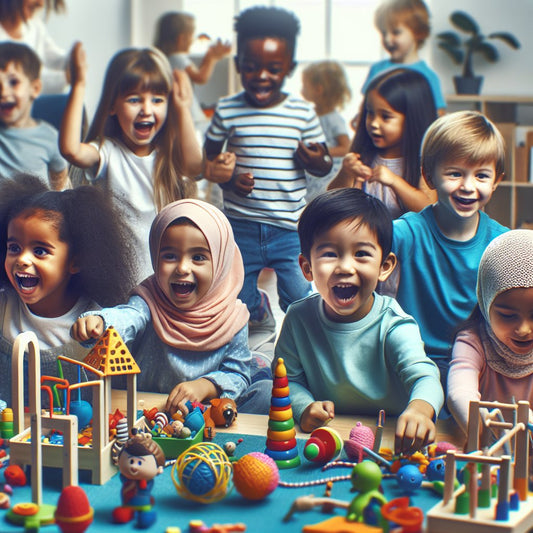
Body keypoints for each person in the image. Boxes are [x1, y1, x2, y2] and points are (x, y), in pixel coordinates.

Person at [274, 188, 443, 452]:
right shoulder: (298, 318)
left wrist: (420, 410)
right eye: (329, 253)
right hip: (329, 439)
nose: (345, 267)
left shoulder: (393, 324)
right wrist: (304, 407)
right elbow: (288, 381)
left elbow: (426, 377)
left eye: (361, 254)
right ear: (307, 268)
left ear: (384, 266)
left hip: (389, 442)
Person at [203, 6, 332, 351]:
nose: (261, 76)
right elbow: (210, 155)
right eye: (250, 67)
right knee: (238, 298)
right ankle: (255, 320)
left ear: (288, 68)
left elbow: (325, 162)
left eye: (273, 69)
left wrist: (315, 159)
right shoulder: (228, 109)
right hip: (241, 225)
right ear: (238, 65)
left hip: (290, 227)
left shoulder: (302, 112)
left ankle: (306, 349)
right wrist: (228, 180)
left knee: (298, 295)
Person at [71, 199, 272, 417]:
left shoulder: (232, 317)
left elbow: (236, 374)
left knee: (266, 391)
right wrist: (101, 323)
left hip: (202, 412)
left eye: (198, 257)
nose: (183, 268)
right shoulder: (149, 298)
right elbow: (129, 317)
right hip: (146, 408)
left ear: (221, 262)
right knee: (86, 390)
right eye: (169, 256)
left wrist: (203, 386)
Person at [381, 110, 509, 395]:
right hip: (411, 360)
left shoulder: (502, 243)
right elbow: (360, 244)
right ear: (429, 176)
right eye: (455, 173)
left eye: (481, 175)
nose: (467, 186)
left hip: (477, 364)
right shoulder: (406, 231)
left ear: (496, 181)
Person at [59, 43, 202, 283]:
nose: (146, 110)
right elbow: (71, 150)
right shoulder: (108, 152)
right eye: (135, 100)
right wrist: (79, 85)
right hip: (117, 284)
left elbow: (195, 168)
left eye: (157, 100)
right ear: (113, 105)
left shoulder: (168, 158)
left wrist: (183, 108)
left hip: (162, 284)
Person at [0, 174, 137, 403]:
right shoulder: (4, 308)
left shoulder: (96, 323)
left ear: (75, 261)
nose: (22, 259)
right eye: (14, 247)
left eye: (40, 251)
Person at [448, 230, 533, 435]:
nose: (524, 329)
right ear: (486, 304)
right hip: (484, 452)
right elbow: (459, 392)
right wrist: (482, 424)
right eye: (507, 315)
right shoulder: (473, 343)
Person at [328, 68, 437, 219]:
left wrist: (394, 181)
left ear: (412, 119)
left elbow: (429, 209)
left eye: (385, 117)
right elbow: (330, 204)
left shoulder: (424, 163)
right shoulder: (364, 157)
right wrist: (346, 172)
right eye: (370, 113)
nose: (373, 123)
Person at [0, 42, 68, 189]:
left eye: (13, 82)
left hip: (34, 209)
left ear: (35, 88)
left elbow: (60, 185)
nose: (3, 92)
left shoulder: (49, 137)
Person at [153, 11, 231, 137]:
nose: (193, 40)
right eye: (191, 36)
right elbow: (200, 77)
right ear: (181, 39)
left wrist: (208, 58)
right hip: (191, 115)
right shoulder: (178, 58)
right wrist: (212, 58)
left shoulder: (165, 58)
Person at [361, 0, 445, 115]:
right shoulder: (376, 69)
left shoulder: (429, 76)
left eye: (396, 32)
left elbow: (439, 115)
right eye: (383, 33)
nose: (387, 39)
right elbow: (365, 107)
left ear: (418, 32)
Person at [301, 60, 351, 201]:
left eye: (305, 86)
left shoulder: (333, 119)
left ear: (318, 89)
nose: (301, 90)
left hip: (329, 174)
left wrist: (325, 151)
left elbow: (346, 147)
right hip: (314, 170)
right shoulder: (310, 114)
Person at [0, 0, 71, 94]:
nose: (41, 3)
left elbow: (59, 60)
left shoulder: (35, 27)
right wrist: (66, 78)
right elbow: (26, 82)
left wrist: (75, 57)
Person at [113, 429, 165, 528]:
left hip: (144, 505)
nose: (134, 467)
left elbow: (147, 487)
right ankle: (130, 512)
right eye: (131, 461)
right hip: (128, 504)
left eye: (140, 462)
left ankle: (147, 515)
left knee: (144, 519)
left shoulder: (147, 482)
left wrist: (156, 471)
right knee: (120, 516)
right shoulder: (126, 479)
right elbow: (123, 478)